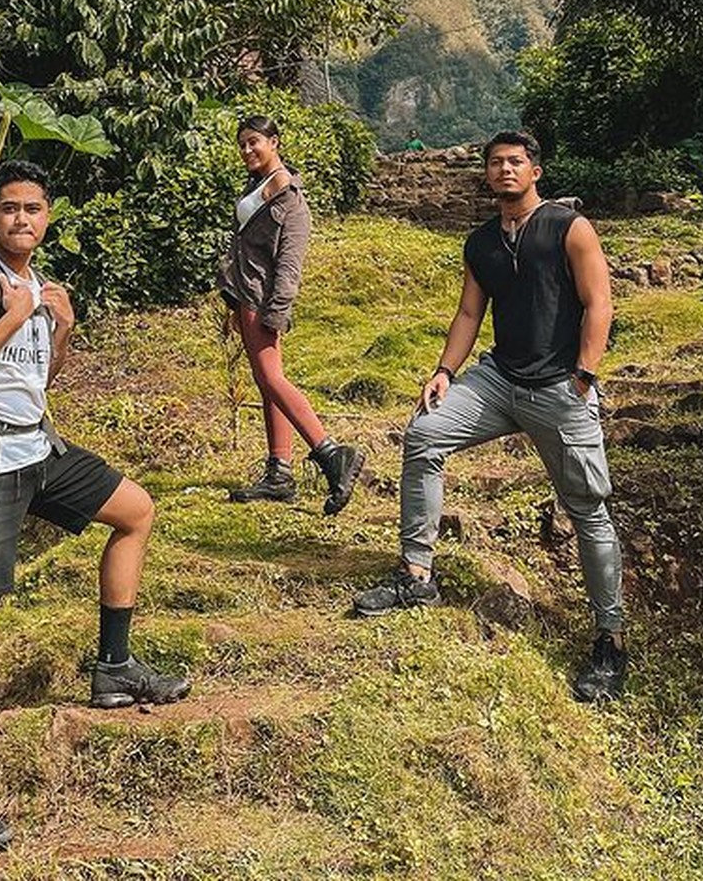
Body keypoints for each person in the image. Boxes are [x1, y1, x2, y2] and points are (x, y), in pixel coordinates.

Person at [0, 160, 191, 854]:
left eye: (33, 208)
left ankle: (114, 667)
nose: (22, 219)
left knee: (135, 511)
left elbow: (38, 380)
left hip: (36, 450)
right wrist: (14, 316)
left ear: (47, 216)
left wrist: (59, 326)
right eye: (10, 208)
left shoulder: (41, 288)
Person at [352, 131, 627, 703]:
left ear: (535, 170)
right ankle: (417, 576)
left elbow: (600, 302)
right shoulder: (480, 242)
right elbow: (469, 311)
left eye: (516, 162)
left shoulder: (568, 228)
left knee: (588, 512)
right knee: (424, 435)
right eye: (496, 162)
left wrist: (584, 376)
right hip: (499, 380)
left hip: (560, 390)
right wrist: (445, 372)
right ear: (486, 173)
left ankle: (609, 639)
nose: (505, 169)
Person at [220, 114, 365, 513]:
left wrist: (275, 311)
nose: (248, 150)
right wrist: (235, 301)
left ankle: (331, 452)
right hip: (248, 295)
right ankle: (279, 472)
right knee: (267, 383)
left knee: (271, 378)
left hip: (265, 299)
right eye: (243, 144)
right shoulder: (260, 186)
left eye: (255, 142)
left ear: (275, 142)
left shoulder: (290, 198)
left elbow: (289, 264)